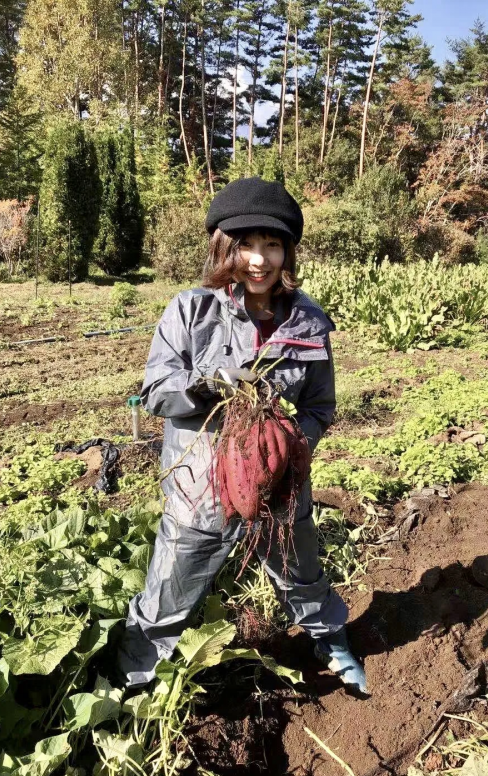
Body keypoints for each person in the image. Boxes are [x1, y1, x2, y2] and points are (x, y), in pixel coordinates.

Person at [116, 176, 367, 695]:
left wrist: (290, 445)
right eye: (246, 245)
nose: (259, 259)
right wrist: (207, 384)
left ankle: (331, 640)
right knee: (171, 586)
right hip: (199, 485)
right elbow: (157, 392)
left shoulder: (308, 319)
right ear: (224, 249)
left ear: (287, 252)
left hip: (280, 486)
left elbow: (320, 405)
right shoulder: (190, 310)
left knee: (302, 572)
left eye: (272, 244)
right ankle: (132, 678)